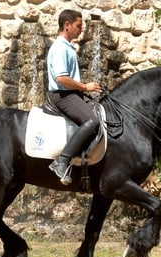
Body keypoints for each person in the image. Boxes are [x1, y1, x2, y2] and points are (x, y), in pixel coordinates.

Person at [47, 9, 102, 185]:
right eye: (79, 26)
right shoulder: (60, 48)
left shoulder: (67, 47)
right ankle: (61, 161)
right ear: (67, 25)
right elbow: (61, 78)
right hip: (63, 96)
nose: (81, 29)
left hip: (70, 94)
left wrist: (82, 90)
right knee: (92, 121)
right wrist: (84, 86)